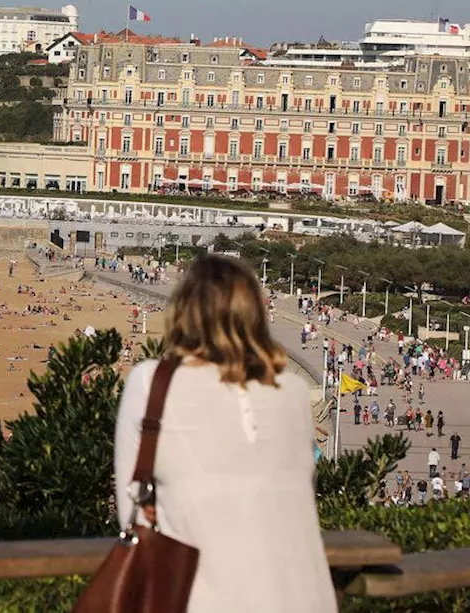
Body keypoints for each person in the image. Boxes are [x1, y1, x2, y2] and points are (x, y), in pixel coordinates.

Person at [113, 255, 335, 611]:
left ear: (182, 310)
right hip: (303, 596)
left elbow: (132, 510)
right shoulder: (291, 391)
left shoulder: (151, 383)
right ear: (256, 316)